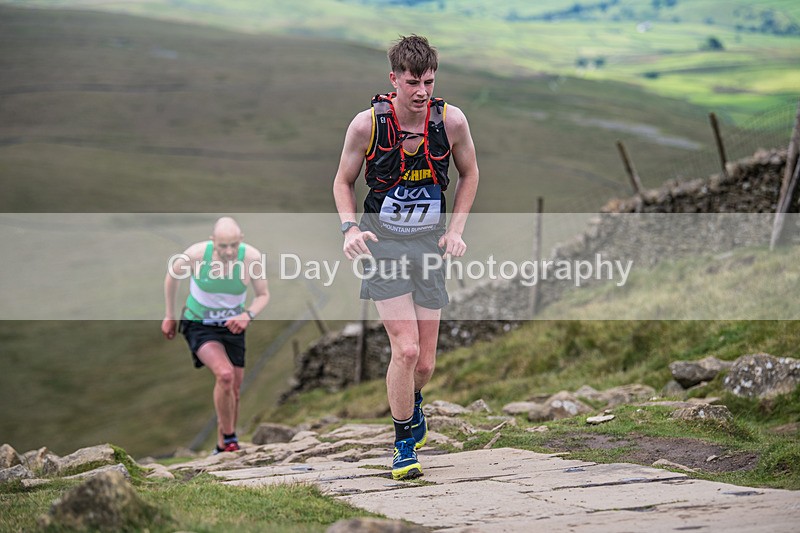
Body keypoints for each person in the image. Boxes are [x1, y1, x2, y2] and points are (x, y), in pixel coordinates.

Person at [332, 35, 479, 480]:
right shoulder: (366, 126)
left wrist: (455, 231)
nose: (422, 91)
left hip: (429, 244)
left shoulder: (451, 122)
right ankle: (401, 446)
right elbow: (342, 182)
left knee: (426, 363)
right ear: (393, 78)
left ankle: (413, 404)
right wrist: (349, 227)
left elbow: (470, 173)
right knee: (406, 348)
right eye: (413, 82)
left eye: (429, 82)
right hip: (384, 245)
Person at [161, 217, 269, 454]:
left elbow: (263, 295)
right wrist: (169, 315)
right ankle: (231, 439)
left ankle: (222, 444)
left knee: (235, 390)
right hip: (199, 324)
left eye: (233, 245)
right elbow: (172, 277)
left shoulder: (251, 258)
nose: (229, 251)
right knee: (225, 375)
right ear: (213, 242)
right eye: (223, 246)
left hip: (233, 326)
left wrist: (247, 315)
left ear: (241, 240)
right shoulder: (197, 255)